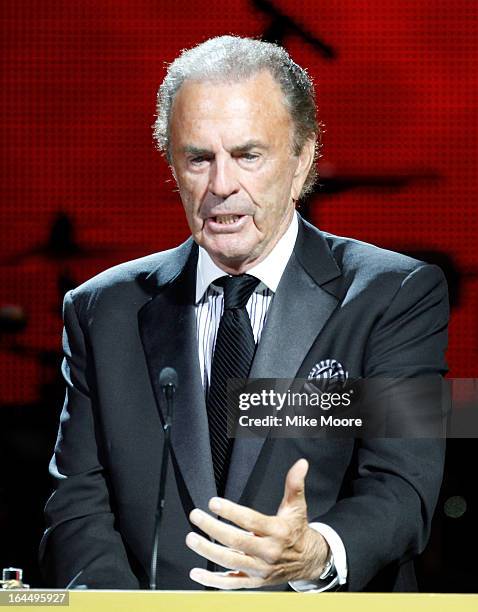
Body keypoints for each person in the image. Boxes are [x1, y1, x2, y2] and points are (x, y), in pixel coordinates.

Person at [39, 35, 448, 591]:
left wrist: (315, 555)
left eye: (248, 155)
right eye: (198, 159)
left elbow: (402, 488)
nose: (221, 186)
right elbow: (79, 504)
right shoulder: (101, 310)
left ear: (302, 160)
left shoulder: (393, 295)